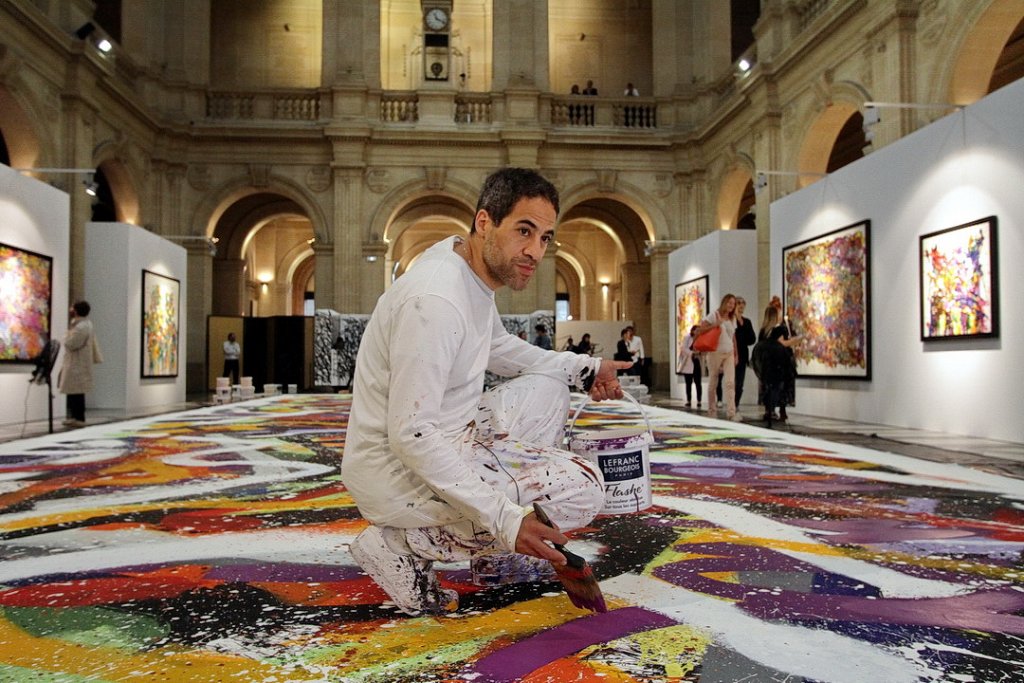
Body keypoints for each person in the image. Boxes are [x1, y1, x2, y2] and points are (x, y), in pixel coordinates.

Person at [341, 167, 632, 615]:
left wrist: (584, 369)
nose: (535, 251)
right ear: (484, 223)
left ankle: (496, 548)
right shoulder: (435, 302)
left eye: (545, 238)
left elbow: (498, 346)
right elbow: (411, 434)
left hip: (448, 434)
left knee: (549, 388)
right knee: (584, 488)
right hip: (397, 473)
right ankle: (401, 545)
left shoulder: (467, 272)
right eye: (523, 231)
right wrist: (507, 518)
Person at [694, 293, 742, 422]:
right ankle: (712, 410)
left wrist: (736, 354)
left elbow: (733, 337)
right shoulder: (714, 315)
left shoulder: (733, 319)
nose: (731, 306)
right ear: (724, 302)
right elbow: (700, 330)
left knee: (730, 382)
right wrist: (716, 325)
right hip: (715, 352)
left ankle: (731, 412)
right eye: (729, 303)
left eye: (733, 304)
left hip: (729, 352)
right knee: (713, 381)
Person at [755, 305, 802, 424]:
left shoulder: (763, 331)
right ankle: (779, 410)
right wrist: (796, 340)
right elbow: (783, 344)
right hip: (780, 363)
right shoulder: (779, 330)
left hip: (767, 363)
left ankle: (769, 410)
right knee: (781, 386)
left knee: (768, 385)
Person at [59, 300, 97, 428]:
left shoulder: (82, 327)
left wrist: (66, 336)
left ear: (75, 310)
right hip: (75, 362)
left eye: (72, 307)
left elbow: (71, 343)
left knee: (77, 390)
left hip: (78, 363)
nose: (70, 309)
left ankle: (79, 417)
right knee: (73, 389)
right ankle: (73, 416)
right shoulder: (81, 325)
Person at [733, 297, 756, 406]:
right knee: (731, 382)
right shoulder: (730, 320)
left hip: (742, 356)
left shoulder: (747, 322)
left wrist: (742, 328)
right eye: (739, 303)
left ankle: (735, 403)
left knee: (739, 383)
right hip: (731, 355)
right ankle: (730, 403)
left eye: (743, 303)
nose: (741, 305)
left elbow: (752, 339)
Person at [678, 325, 702, 409]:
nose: (698, 332)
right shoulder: (687, 338)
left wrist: (699, 352)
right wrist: (692, 353)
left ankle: (699, 400)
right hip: (688, 362)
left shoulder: (700, 338)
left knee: (698, 382)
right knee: (688, 383)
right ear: (693, 331)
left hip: (696, 361)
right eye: (696, 330)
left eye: (699, 330)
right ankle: (689, 400)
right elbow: (684, 348)